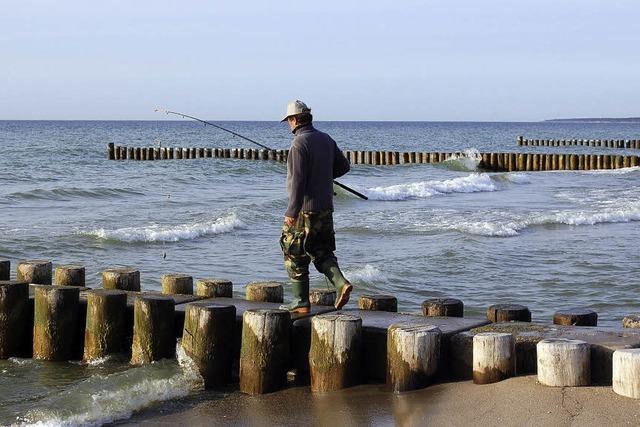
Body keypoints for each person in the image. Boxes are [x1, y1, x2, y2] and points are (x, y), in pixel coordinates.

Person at [279, 100, 352, 314]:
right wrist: (323, 176)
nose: (288, 124)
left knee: (293, 251)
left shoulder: (298, 144)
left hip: (305, 210)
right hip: (325, 207)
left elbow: (298, 183)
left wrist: (291, 213)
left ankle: (300, 302)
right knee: (321, 250)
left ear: (294, 120)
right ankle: (341, 284)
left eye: (289, 120)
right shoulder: (326, 139)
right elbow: (344, 166)